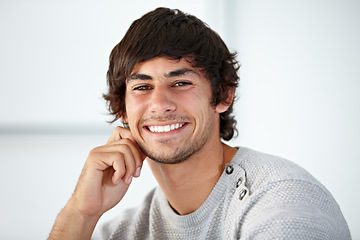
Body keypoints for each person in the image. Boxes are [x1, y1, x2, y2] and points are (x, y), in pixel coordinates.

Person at [48, 7, 351, 240]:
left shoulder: (283, 204)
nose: (160, 103)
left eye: (180, 82)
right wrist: (82, 212)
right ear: (121, 110)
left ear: (223, 94)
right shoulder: (123, 230)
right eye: (142, 87)